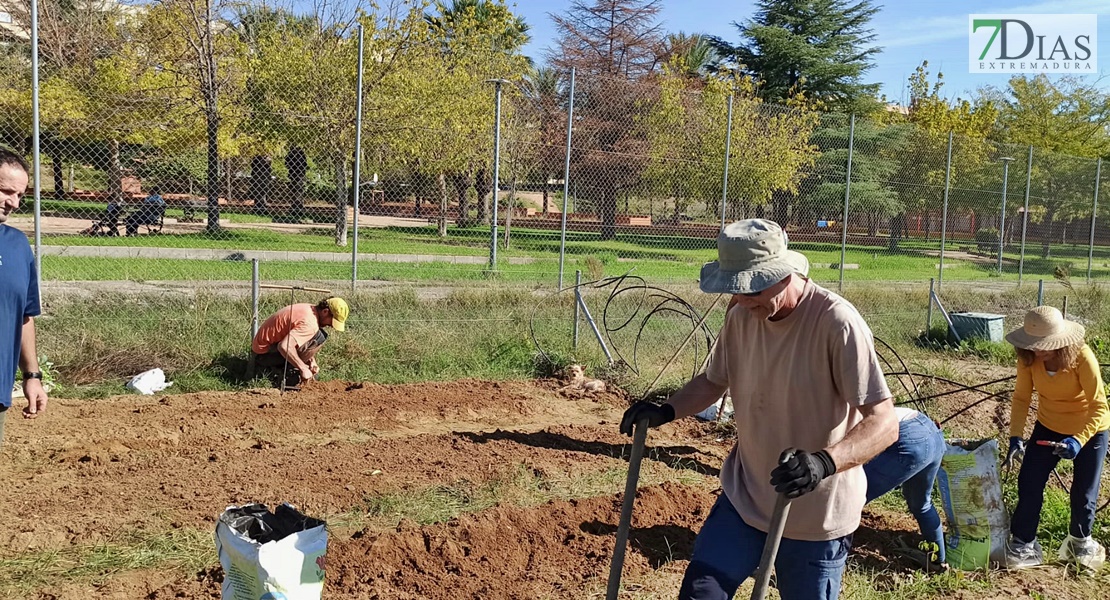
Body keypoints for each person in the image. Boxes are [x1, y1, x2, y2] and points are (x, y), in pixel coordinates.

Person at [619, 219, 897, 600]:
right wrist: (665, 411)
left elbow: (883, 422)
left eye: (752, 288)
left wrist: (823, 462)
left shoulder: (836, 323)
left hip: (816, 513)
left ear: (785, 274)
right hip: (745, 498)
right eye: (735, 289)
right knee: (701, 592)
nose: (741, 299)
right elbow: (713, 382)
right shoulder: (740, 316)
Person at [1002, 305, 1109, 570]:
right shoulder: (1028, 358)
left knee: (1083, 493)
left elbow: (1099, 406)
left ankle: (1079, 544)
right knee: (1029, 482)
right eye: (1034, 344)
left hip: (1089, 430)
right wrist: (1016, 436)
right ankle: (1023, 543)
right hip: (1048, 425)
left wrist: (1078, 440)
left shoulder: (1083, 358)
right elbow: (1021, 397)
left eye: (1045, 345)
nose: (1039, 350)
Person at [0, 147, 48, 444]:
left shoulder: (17, 246)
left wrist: (32, 376)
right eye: (5, 191)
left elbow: (24, 315)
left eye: (20, 195)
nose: (14, 202)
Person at [862, 406, 947, 572]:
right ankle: (938, 562)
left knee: (852, 498)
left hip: (909, 437)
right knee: (922, 504)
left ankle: (829, 554)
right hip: (931, 433)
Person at [251, 297, 349, 386]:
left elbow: (298, 339)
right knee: (320, 337)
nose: (331, 326)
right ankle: (287, 372)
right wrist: (303, 368)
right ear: (325, 311)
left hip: (264, 349)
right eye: (332, 321)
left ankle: (294, 366)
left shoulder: (309, 310)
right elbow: (284, 346)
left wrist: (311, 360)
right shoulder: (310, 324)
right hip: (263, 355)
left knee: (318, 335)